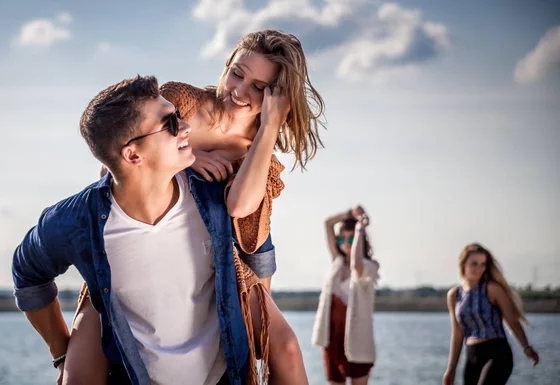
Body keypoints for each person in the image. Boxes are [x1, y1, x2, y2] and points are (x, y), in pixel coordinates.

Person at [63, 30, 325, 384]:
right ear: (227, 65)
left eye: (260, 87)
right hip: (135, 247)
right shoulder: (179, 102)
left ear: (278, 96)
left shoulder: (259, 155)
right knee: (77, 373)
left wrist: (269, 127)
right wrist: (188, 158)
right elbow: (118, 163)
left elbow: (240, 207)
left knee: (285, 349)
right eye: (237, 73)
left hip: (225, 258)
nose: (240, 91)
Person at [442, 243, 540, 385]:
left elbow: (512, 321)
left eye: (483, 264)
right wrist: (451, 369)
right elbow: (457, 334)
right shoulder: (454, 295)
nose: (479, 268)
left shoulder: (492, 289)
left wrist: (526, 347)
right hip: (472, 355)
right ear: (463, 264)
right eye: (474, 264)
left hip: (497, 354)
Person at [312, 206, 379, 385]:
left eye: (351, 238)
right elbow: (328, 223)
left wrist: (359, 228)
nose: (345, 242)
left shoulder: (369, 267)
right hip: (332, 338)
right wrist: (350, 214)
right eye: (342, 238)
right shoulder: (337, 262)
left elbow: (356, 263)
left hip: (358, 340)